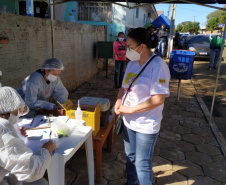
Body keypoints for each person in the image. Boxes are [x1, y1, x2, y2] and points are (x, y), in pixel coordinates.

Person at [114, 28, 170, 185]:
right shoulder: (132, 64)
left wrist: (130, 109)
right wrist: (118, 102)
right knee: (130, 156)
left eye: (130, 46)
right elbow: (123, 88)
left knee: (142, 163)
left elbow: (158, 99)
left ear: (142, 46)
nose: (127, 50)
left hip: (146, 124)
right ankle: (131, 182)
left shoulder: (158, 66)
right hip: (128, 121)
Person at [0, 86, 56, 185]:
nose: (18, 113)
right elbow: (31, 171)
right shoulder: (3, 127)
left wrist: (15, 130)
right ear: (8, 108)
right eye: (16, 109)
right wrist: (46, 150)